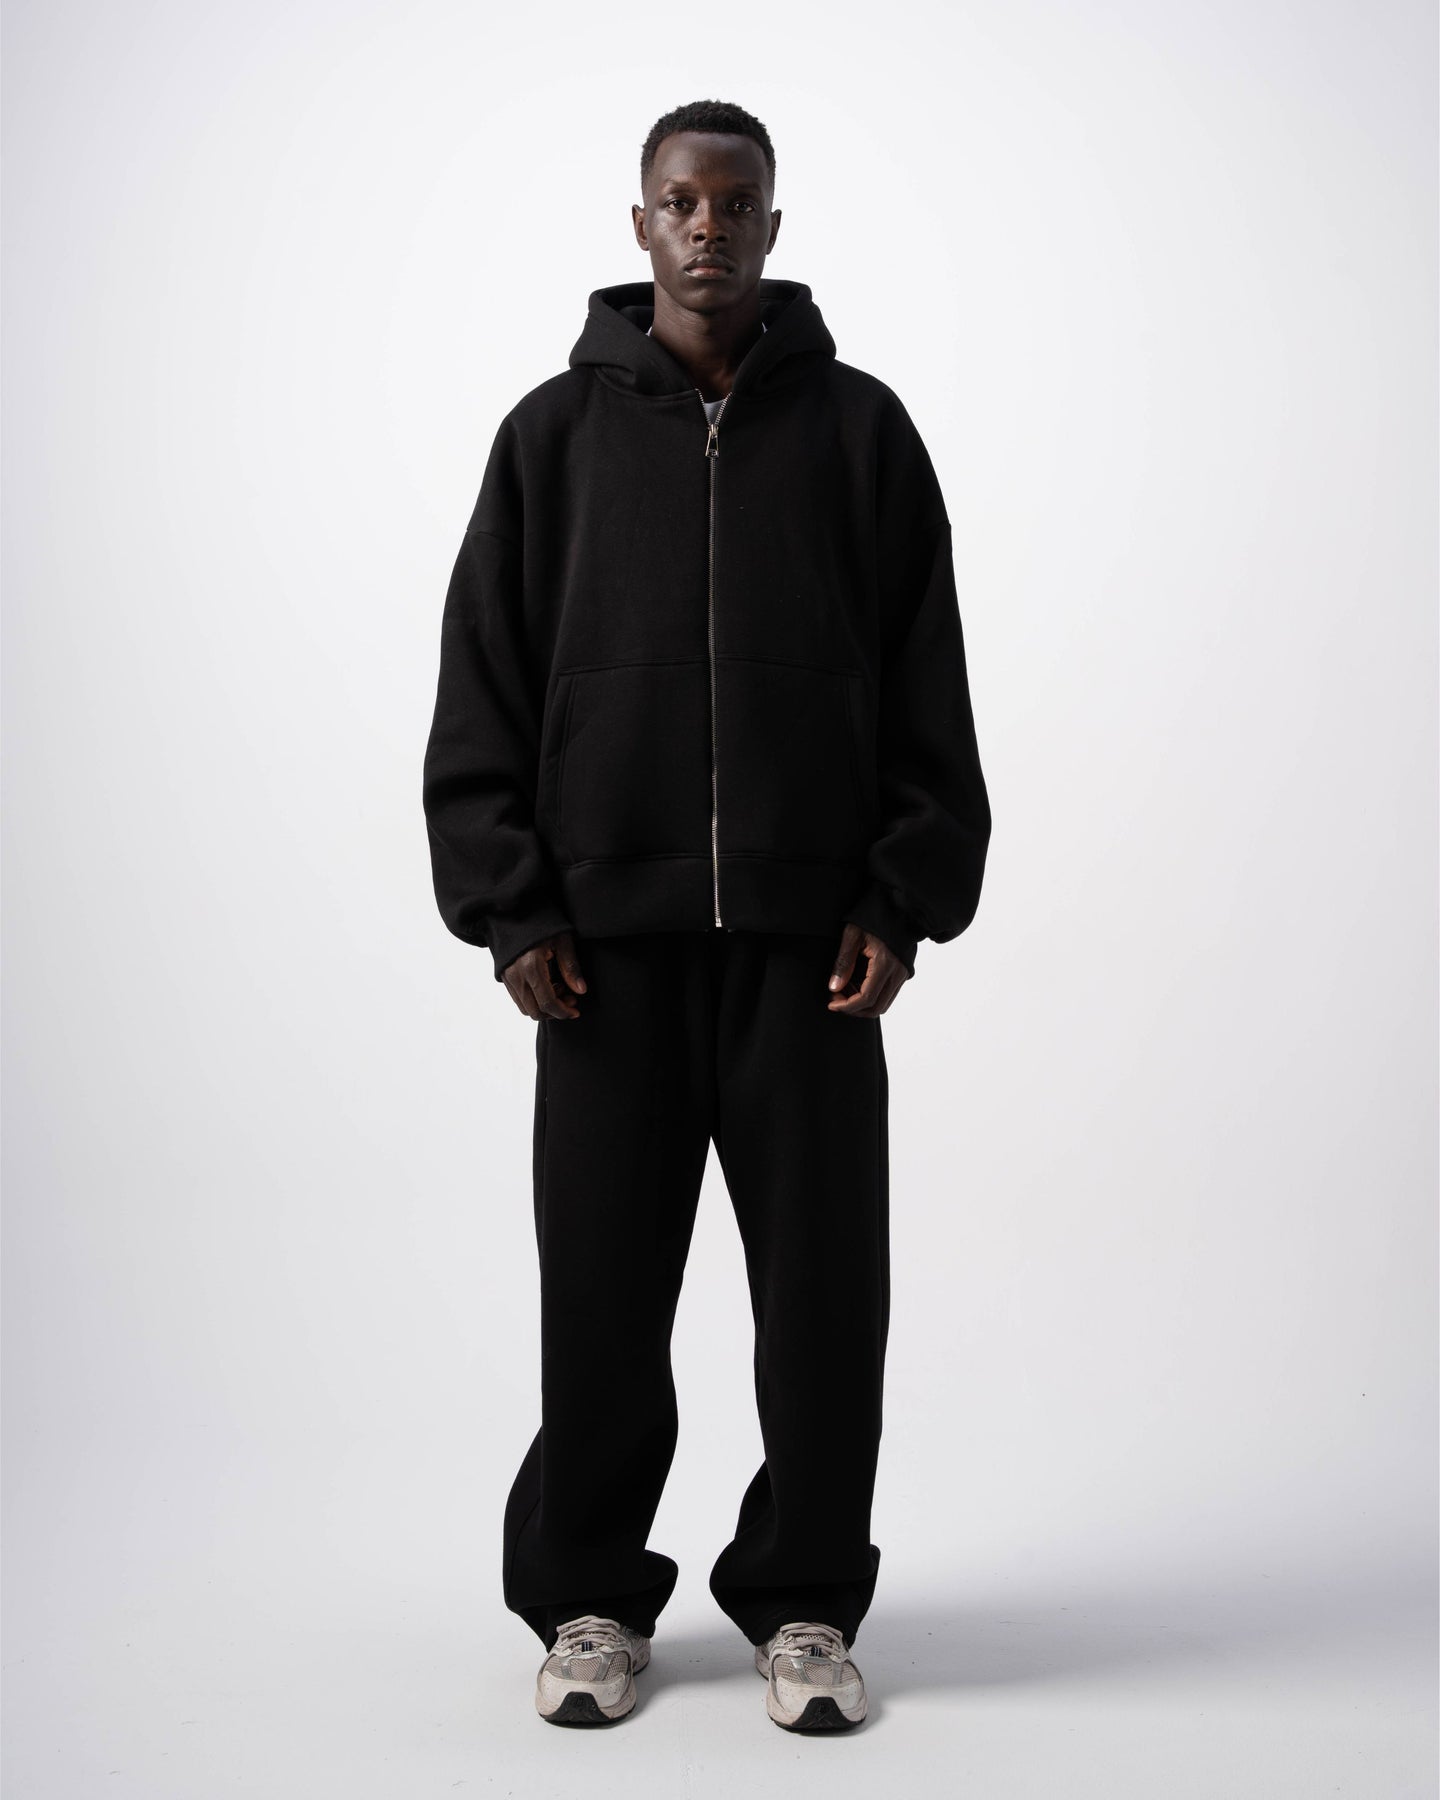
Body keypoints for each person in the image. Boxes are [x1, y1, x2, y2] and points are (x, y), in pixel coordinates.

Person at [422, 97, 991, 1733]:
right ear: (641, 224)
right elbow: (484, 684)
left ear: (773, 228)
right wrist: (512, 906)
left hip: (813, 957)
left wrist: (903, 893)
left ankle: (805, 1605)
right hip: (604, 958)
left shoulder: (863, 435)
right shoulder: (551, 438)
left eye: (736, 204)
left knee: (823, 1303)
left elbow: (927, 682)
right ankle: (589, 1599)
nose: (708, 227)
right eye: (681, 201)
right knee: (603, 1297)